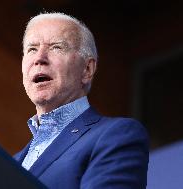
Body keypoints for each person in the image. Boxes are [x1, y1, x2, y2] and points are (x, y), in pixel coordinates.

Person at [14, 12, 149, 189]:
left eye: (56, 47)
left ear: (87, 69)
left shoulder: (116, 135)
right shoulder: (11, 161)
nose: (39, 58)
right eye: (32, 49)